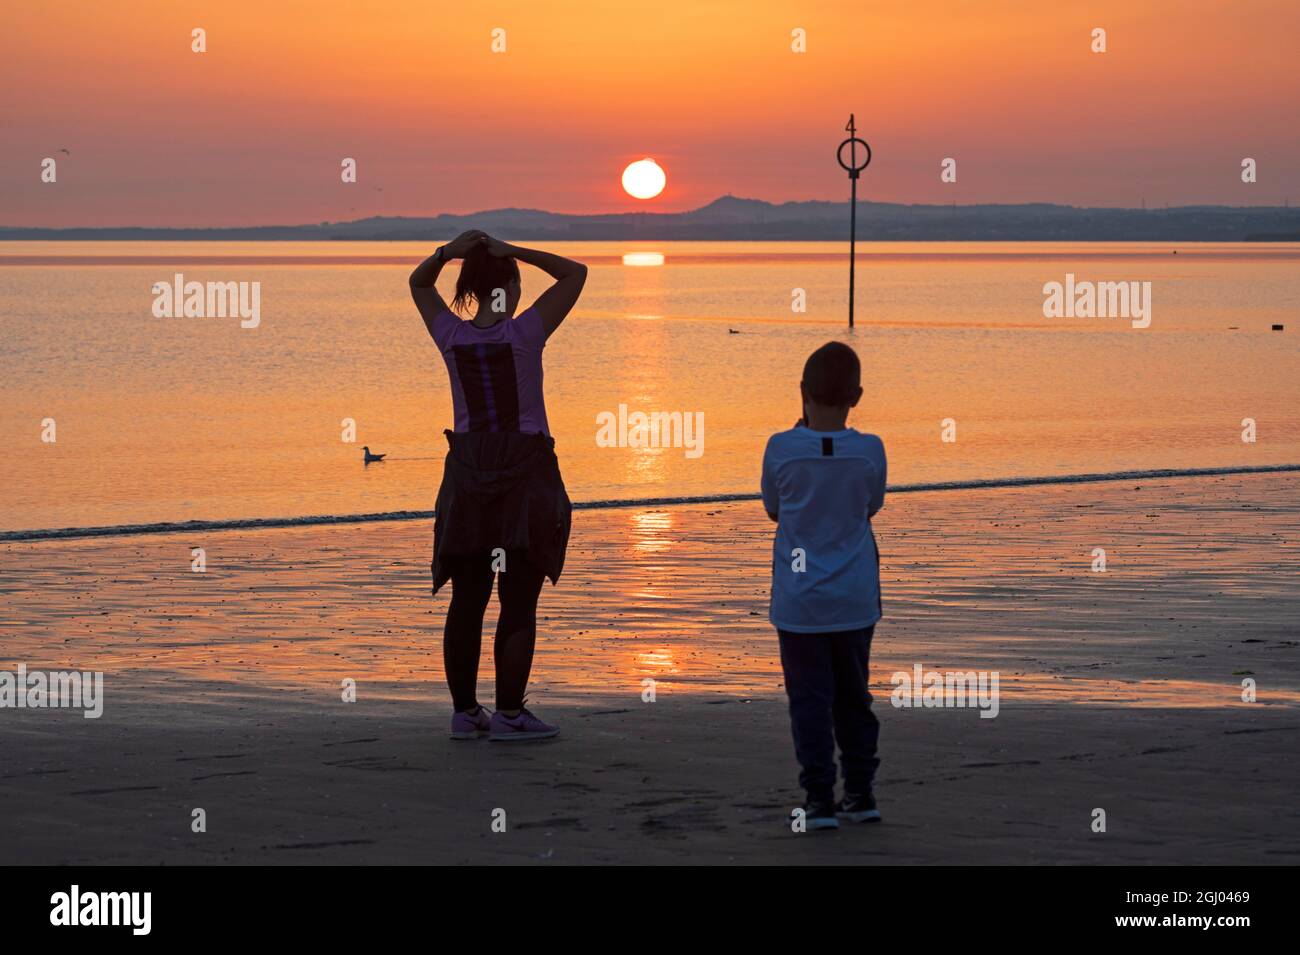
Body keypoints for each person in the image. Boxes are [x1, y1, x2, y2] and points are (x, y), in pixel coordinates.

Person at [409, 230, 587, 741]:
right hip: (524, 470)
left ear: (467, 285)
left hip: (468, 471)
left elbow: (419, 284)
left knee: (467, 597)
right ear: (510, 286)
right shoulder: (526, 333)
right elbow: (576, 273)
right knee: (518, 597)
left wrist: (448, 253)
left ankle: (466, 714)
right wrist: (517, 250)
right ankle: (509, 714)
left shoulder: (451, 335)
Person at [760, 341, 887, 830]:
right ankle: (860, 791)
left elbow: (774, 508)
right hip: (853, 595)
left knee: (810, 700)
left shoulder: (781, 447)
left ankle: (818, 799)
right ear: (856, 395)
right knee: (854, 697)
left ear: (802, 392)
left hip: (801, 600)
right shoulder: (870, 450)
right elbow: (870, 506)